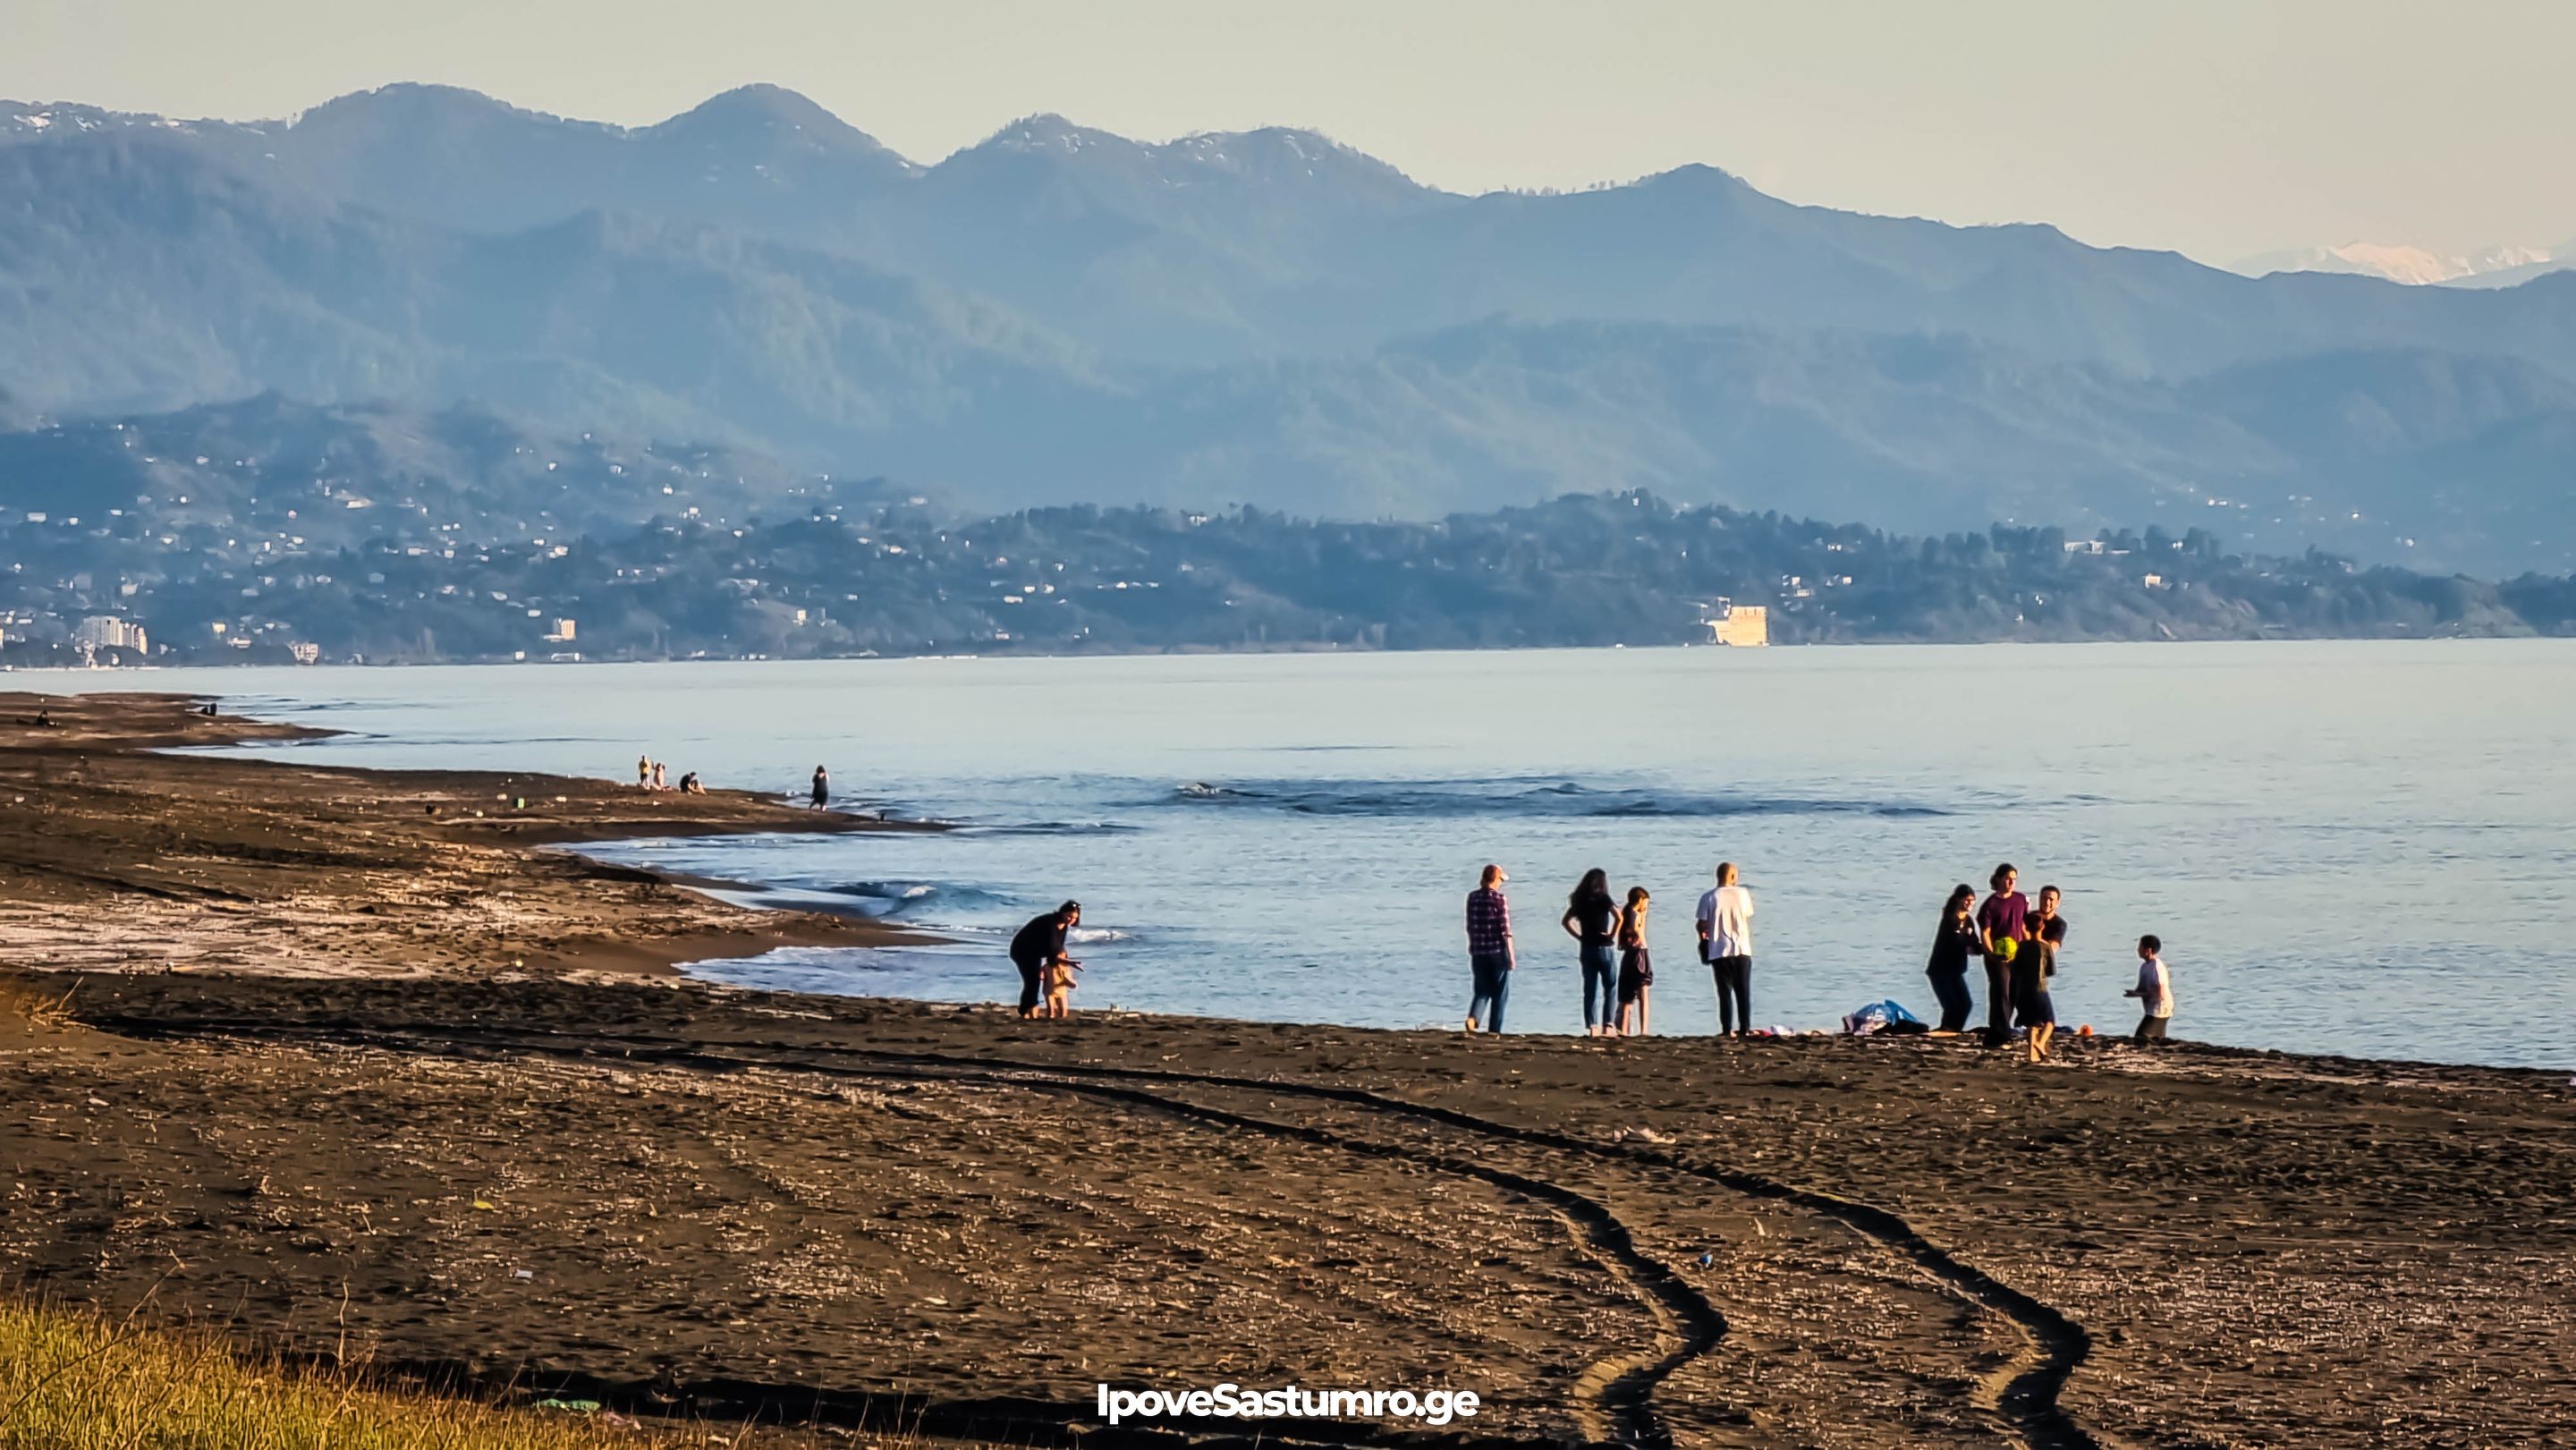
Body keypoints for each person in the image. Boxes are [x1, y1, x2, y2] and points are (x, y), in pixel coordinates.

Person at [1696, 862, 1755, 1037]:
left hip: (1719, 949)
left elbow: (1701, 925)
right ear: (1732, 877)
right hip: (1741, 948)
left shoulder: (1709, 897)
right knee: (1743, 991)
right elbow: (1746, 916)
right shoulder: (1742, 894)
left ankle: (1727, 1029)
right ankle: (1745, 1028)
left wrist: (1703, 940)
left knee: (1724, 992)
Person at [1975, 863, 2030, 1048]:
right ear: (1998, 879)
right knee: (2001, 992)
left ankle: (2000, 1031)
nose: (2010, 882)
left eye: (2014, 879)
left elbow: (2023, 927)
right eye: (2007, 878)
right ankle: (2000, 1032)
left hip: (2017, 954)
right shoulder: (1990, 905)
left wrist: (2030, 947)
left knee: (2014, 992)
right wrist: (1991, 954)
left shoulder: (2021, 900)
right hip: (1997, 956)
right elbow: (1985, 932)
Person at [1562, 868, 1622, 1037]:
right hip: (1604, 947)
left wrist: (1579, 937)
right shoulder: (1603, 898)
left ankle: (1592, 1026)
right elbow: (1619, 917)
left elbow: (1565, 921)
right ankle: (1608, 1024)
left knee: (1590, 988)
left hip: (1587, 947)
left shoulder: (1580, 900)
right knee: (1610, 986)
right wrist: (1612, 934)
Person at [1009, 902, 1081, 1020]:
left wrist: (1065, 962)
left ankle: (1027, 1009)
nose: (1071, 920)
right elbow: (1052, 952)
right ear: (1062, 912)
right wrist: (1069, 962)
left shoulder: (1063, 926)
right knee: (1032, 981)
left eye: (1074, 918)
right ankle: (1026, 1010)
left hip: (1035, 952)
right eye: (1069, 916)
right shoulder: (1050, 924)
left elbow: (1058, 948)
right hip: (1022, 950)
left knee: (1034, 980)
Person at [1465, 865, 1514, 1033]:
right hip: (1497, 953)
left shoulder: (1472, 898)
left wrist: (1472, 946)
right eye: (1500, 880)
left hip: (1478, 952)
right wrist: (1511, 956)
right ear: (1495, 880)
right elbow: (1505, 931)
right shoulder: (1499, 899)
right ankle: (1494, 1030)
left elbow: (1470, 925)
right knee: (1500, 993)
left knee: (1481, 991)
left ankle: (1474, 1018)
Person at [1925, 884, 1980, 1034]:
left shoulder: (1968, 921)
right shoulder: (1949, 919)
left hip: (1956, 971)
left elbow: (1974, 943)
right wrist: (1967, 945)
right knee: (1951, 1005)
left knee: (1965, 1004)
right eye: (1966, 900)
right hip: (1940, 970)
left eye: (1972, 901)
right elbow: (1955, 942)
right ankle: (1947, 1030)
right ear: (1958, 899)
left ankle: (1953, 1030)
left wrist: (1987, 950)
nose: (1969, 904)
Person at [2021, 886, 2067, 1062]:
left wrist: (2031, 940)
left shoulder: (2059, 924)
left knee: (2033, 1021)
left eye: (2051, 899)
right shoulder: (2031, 918)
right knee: (2047, 1020)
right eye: (2044, 898)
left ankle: (2033, 1053)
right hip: (2037, 982)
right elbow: (2050, 966)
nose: (2047, 902)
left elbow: (2053, 947)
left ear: (2057, 903)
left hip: (2030, 978)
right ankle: (2038, 1046)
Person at [1615, 886, 1653, 1037]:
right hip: (1639, 953)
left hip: (1629, 954)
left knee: (1627, 996)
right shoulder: (1634, 913)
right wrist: (1643, 941)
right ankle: (1643, 1030)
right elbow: (1637, 929)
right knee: (1642, 990)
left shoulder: (1626, 911)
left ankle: (1623, 1029)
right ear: (1640, 901)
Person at [2125, 935, 2174, 1046]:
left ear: (2148, 950)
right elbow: (2141, 988)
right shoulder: (2144, 967)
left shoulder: (2157, 966)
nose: (2138, 950)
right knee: (2154, 1038)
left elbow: (2160, 991)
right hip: (2151, 1008)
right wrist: (2134, 993)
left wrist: (2142, 994)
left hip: (2160, 1008)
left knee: (2141, 1037)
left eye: (2140, 947)